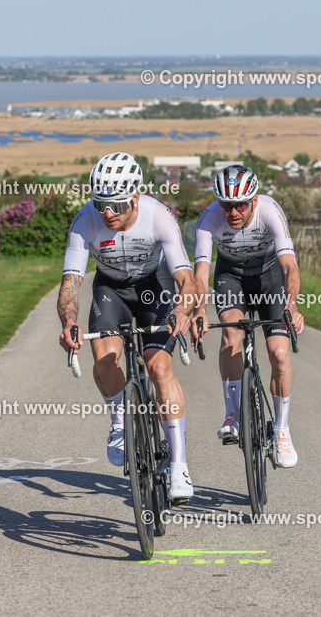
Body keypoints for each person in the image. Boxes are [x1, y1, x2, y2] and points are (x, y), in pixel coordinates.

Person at [58, 152, 199, 501]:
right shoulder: (84, 221)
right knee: (104, 361)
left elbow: (186, 278)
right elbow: (71, 283)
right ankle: (119, 420)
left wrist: (184, 310)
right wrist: (69, 322)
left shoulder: (159, 216)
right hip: (111, 289)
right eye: (101, 204)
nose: (108, 214)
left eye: (117, 206)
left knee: (159, 366)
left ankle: (179, 465)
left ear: (136, 196)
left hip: (156, 284)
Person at [192, 164, 305, 467]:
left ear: (254, 200)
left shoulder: (269, 210)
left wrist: (291, 306)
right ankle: (232, 413)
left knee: (279, 353)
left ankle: (281, 429)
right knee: (231, 334)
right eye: (226, 204)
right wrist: (200, 309)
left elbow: (289, 266)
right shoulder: (208, 219)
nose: (233, 211)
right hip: (231, 278)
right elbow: (201, 273)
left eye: (240, 204)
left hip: (269, 279)